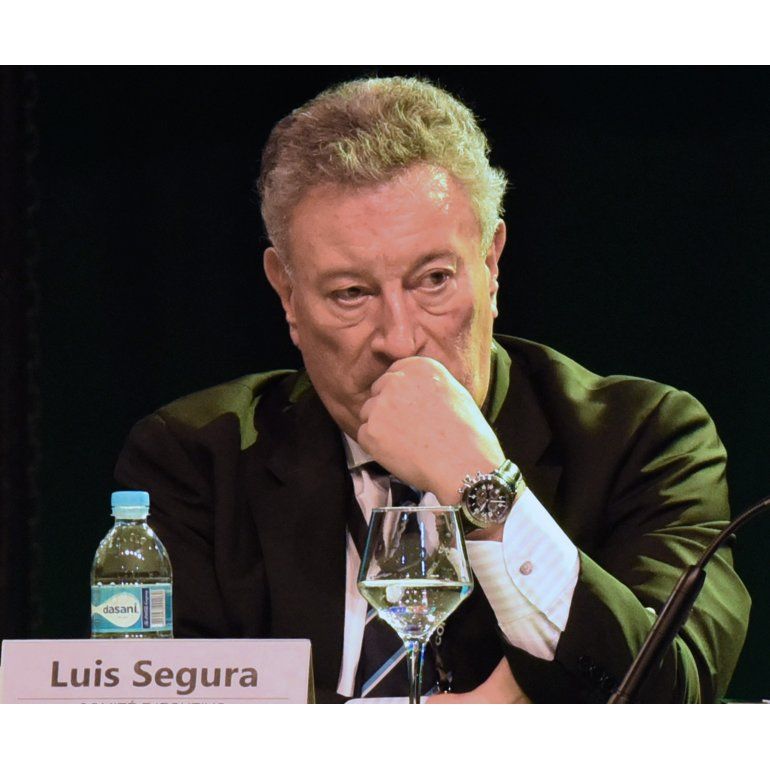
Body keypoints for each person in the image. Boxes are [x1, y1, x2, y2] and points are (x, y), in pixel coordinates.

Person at [115, 76, 750, 703]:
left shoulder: (644, 440)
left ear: (491, 263)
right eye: (351, 294)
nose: (400, 338)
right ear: (287, 294)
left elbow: (672, 699)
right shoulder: (197, 459)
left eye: (434, 280)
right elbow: (157, 712)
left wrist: (484, 487)